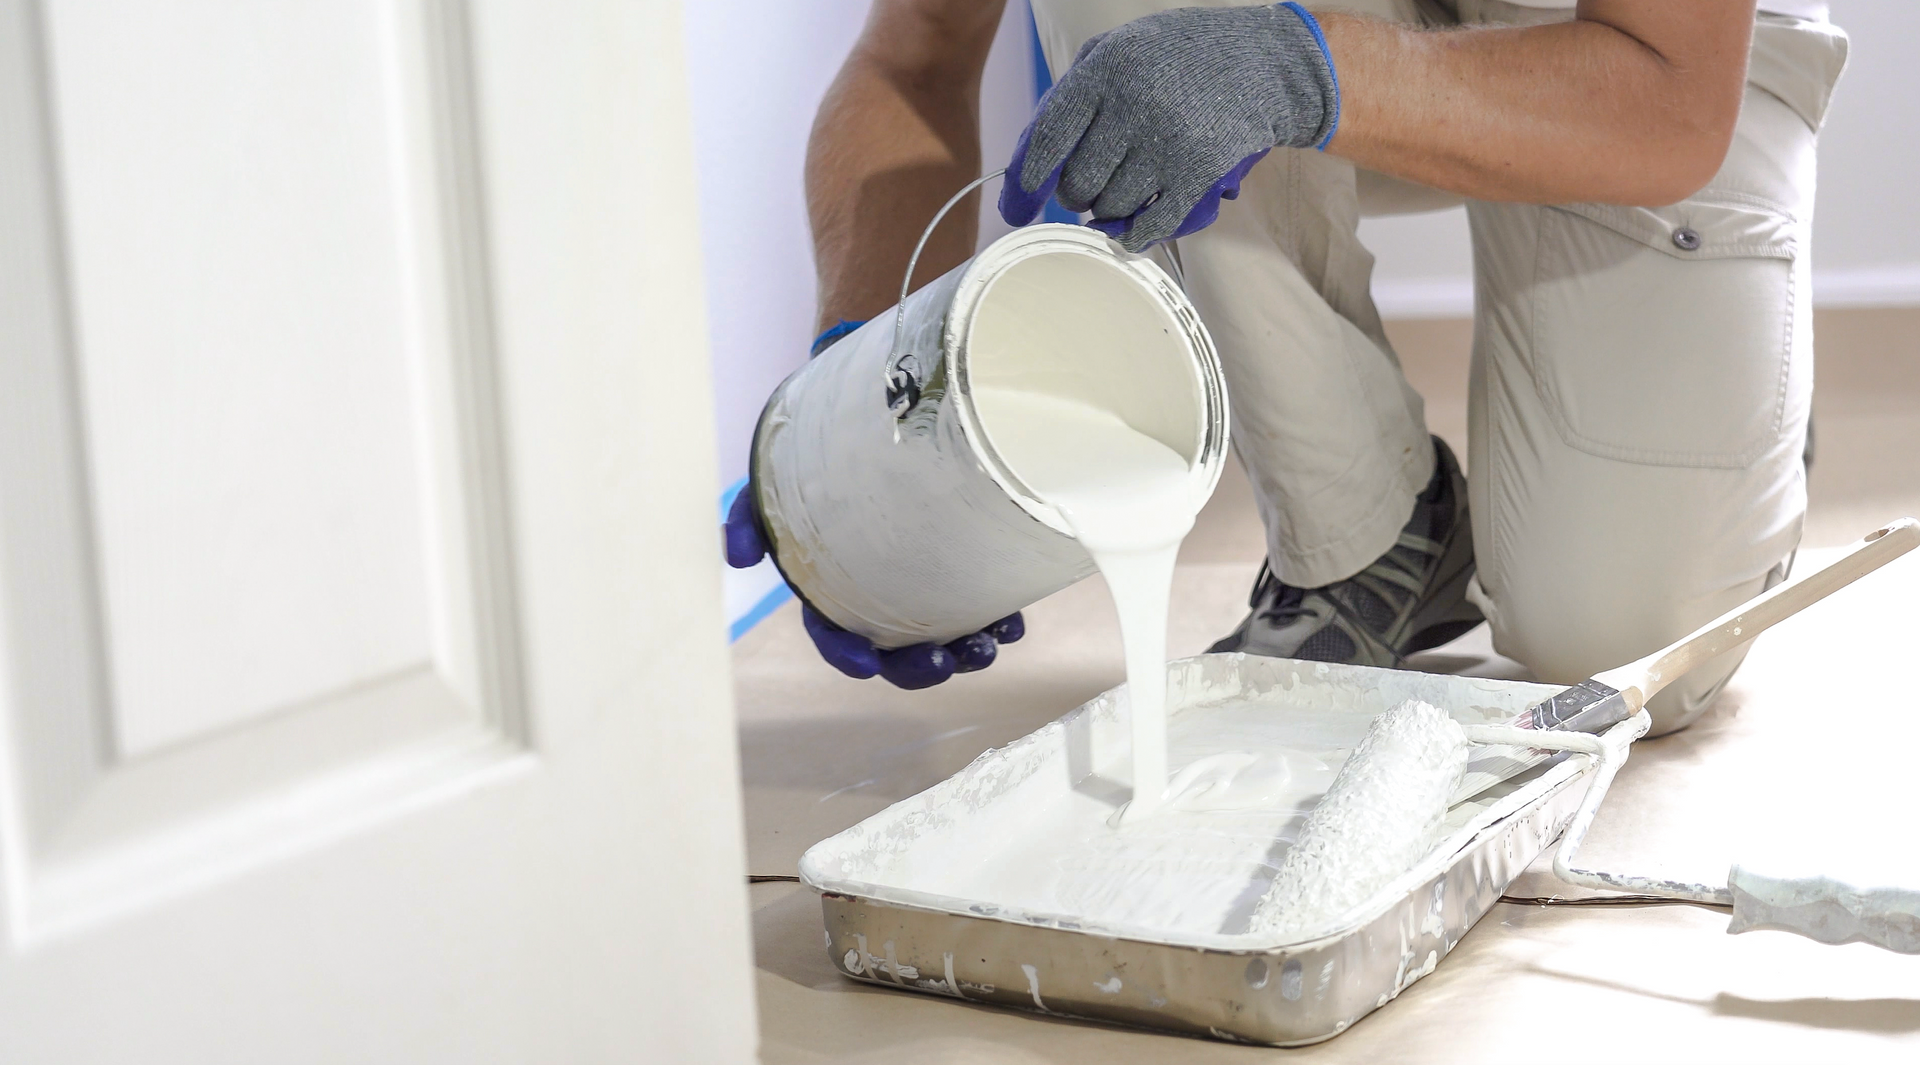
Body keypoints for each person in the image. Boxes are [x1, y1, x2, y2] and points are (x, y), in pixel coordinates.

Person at [726, 0, 1847, 737]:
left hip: (1633, 48)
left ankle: (1752, 389)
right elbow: (916, 56)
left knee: (1620, 643)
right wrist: (861, 393)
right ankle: (1367, 541)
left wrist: (1289, 68)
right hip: (1334, 19)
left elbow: (1667, 95)